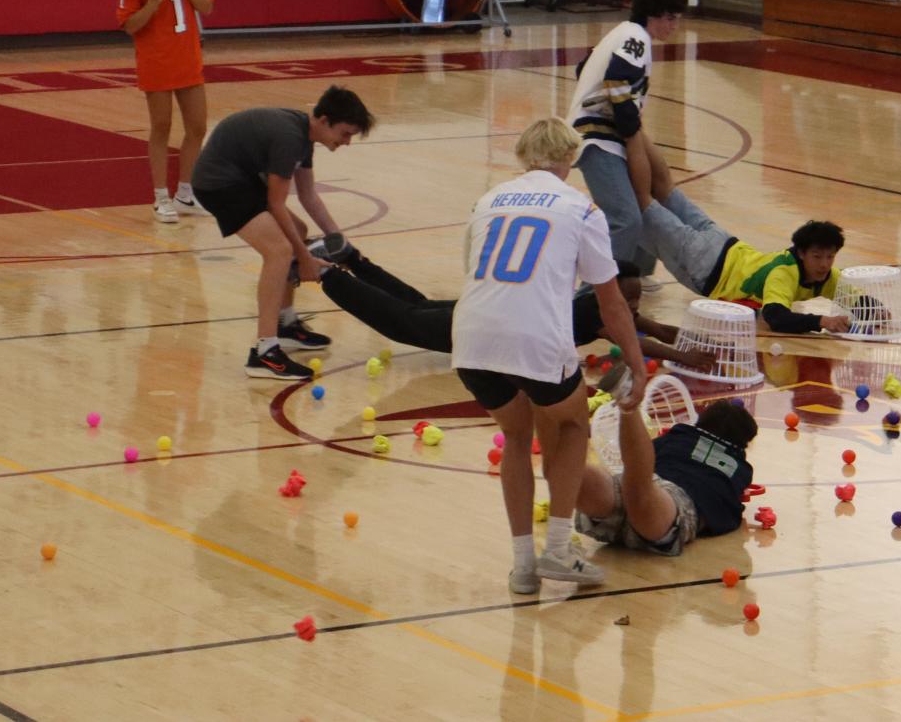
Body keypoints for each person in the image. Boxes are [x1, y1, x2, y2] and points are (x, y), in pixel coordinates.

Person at [452, 119, 643, 594]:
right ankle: (558, 549)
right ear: (570, 158)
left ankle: (522, 566)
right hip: (534, 336)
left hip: (472, 336)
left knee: (517, 436)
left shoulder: (485, 202)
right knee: (573, 423)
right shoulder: (581, 210)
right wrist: (636, 362)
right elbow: (611, 301)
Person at [190, 86, 375, 380]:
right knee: (279, 250)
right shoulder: (290, 138)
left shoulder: (304, 135)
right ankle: (264, 352)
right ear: (325, 120)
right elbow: (276, 204)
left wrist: (339, 241)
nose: (347, 142)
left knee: (297, 231)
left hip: (241, 179)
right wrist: (303, 258)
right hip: (218, 184)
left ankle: (285, 324)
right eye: (345, 133)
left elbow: (308, 195)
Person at [318, 255, 695, 368]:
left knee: (414, 306)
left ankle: (353, 260)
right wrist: (686, 358)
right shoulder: (598, 314)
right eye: (627, 299)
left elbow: (657, 329)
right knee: (403, 323)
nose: (632, 307)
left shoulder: (609, 305)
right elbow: (641, 345)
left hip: (491, 311)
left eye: (635, 301)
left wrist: (696, 338)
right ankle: (326, 274)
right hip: (486, 328)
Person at [569, 0, 687, 275]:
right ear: (655, 15)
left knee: (640, 207)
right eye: (671, 18)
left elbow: (582, 69)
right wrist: (631, 128)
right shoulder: (637, 37)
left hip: (607, 135)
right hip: (598, 138)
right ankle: (603, 289)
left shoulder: (622, 32)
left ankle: (637, 275)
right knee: (625, 218)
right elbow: (617, 80)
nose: (674, 26)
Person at [117, 0, 214, 224]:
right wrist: (153, 3)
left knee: (198, 126)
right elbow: (130, 25)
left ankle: (185, 193)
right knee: (161, 127)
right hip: (157, 61)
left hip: (188, 57)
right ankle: (160, 197)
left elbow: (208, 6)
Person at [576, 397, 758, 560]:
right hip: (672, 503)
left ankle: (569, 453)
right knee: (641, 492)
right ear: (742, 443)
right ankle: (628, 409)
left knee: (618, 486)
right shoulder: (741, 468)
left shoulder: (679, 435)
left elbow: (646, 454)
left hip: (651, 482)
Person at [640, 195, 849, 334]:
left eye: (830, 257)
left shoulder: (829, 276)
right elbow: (775, 317)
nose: (824, 264)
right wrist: (822, 321)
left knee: (663, 188)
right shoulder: (784, 274)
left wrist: (878, 313)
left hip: (723, 242)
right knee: (643, 208)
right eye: (817, 257)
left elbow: (858, 298)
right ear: (802, 253)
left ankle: (633, 136)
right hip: (705, 264)